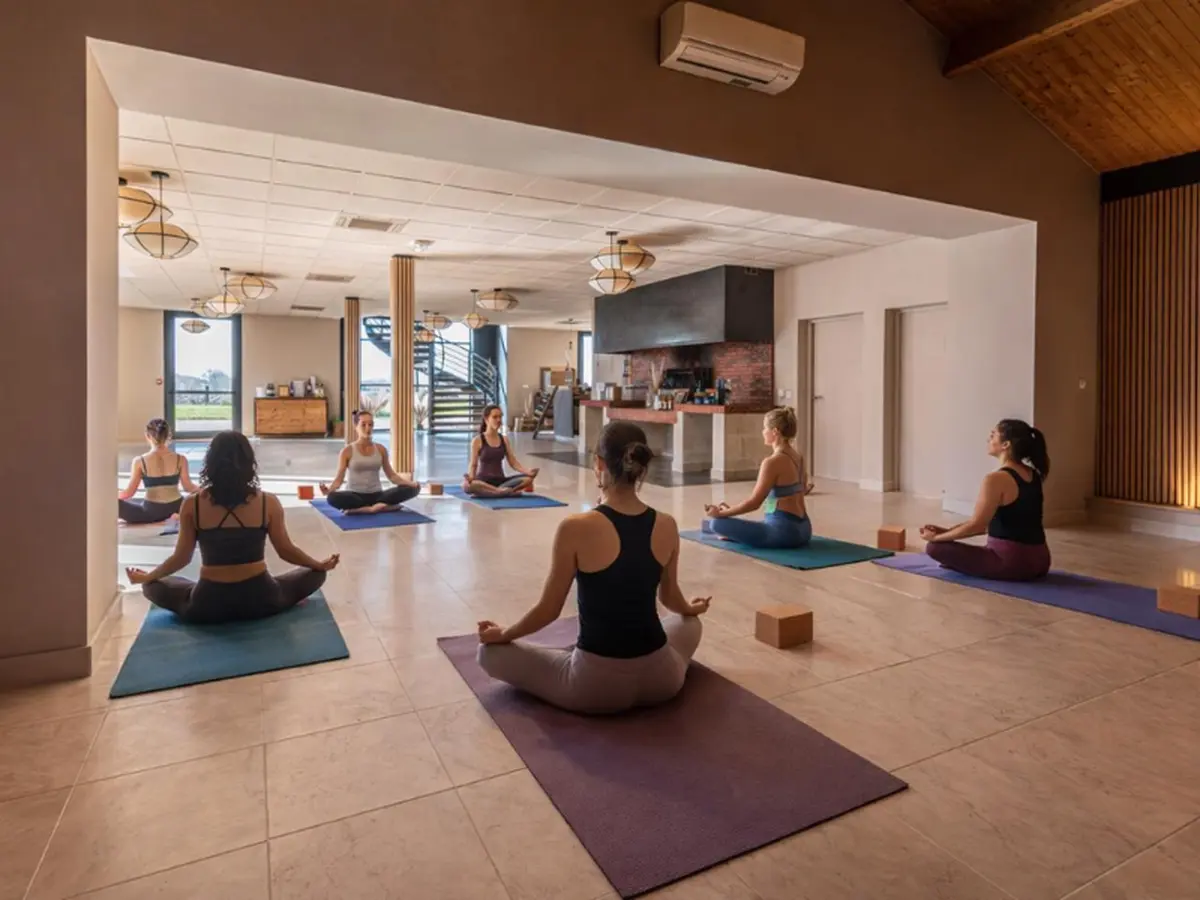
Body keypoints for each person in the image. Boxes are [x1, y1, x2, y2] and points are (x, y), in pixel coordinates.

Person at [476, 421, 710, 715]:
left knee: (489, 653)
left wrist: (505, 634)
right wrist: (692, 608)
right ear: (642, 468)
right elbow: (670, 597)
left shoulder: (575, 527)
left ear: (598, 463)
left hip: (594, 686)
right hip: (662, 680)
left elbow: (549, 610)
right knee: (689, 623)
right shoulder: (667, 524)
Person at [125, 431, 339, 623]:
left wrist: (148, 577)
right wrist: (318, 565)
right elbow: (286, 550)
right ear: (250, 463)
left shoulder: (193, 504)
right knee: (315, 575)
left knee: (152, 586)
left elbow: (181, 558)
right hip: (262, 598)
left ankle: (156, 583)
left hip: (207, 604)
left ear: (210, 463)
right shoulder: (268, 502)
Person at [919, 418, 1051, 582]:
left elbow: (977, 526)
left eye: (993, 435)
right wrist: (946, 532)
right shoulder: (1033, 475)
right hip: (1041, 561)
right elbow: (1005, 524)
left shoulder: (995, 479)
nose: (988, 440)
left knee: (934, 548)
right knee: (947, 545)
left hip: (1012, 562)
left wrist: (936, 538)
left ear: (1006, 445)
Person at [701, 407, 813, 549]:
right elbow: (801, 490)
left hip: (785, 533)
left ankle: (732, 534)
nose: (763, 432)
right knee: (722, 522)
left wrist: (721, 513)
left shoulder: (772, 462)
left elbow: (754, 503)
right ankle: (734, 532)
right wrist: (730, 512)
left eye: (765, 428)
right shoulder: (799, 458)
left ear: (775, 432)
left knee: (715, 524)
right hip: (804, 530)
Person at [320, 410, 420, 513]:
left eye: (370, 424)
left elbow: (392, 476)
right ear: (356, 426)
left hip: (378, 495)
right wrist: (329, 490)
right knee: (332, 498)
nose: (368, 428)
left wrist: (410, 484)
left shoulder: (381, 449)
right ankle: (375, 508)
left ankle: (360, 509)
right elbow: (339, 479)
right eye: (363, 425)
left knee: (414, 489)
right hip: (355, 496)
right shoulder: (347, 451)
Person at [118, 418, 198, 524]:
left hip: (151, 512)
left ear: (147, 436)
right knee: (199, 502)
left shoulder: (140, 461)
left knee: (114, 504)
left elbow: (128, 494)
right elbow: (188, 487)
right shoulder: (181, 459)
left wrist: (111, 495)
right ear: (168, 436)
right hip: (178, 507)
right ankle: (176, 517)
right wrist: (207, 490)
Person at [463, 404, 539, 497]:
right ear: (486, 419)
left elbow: (513, 462)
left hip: (501, 481)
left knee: (528, 479)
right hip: (483, 481)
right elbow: (473, 464)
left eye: (500, 417)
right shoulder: (478, 440)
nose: (499, 420)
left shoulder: (504, 439)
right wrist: (470, 478)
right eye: (495, 417)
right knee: (470, 485)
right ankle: (500, 492)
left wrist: (528, 472)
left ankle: (495, 492)